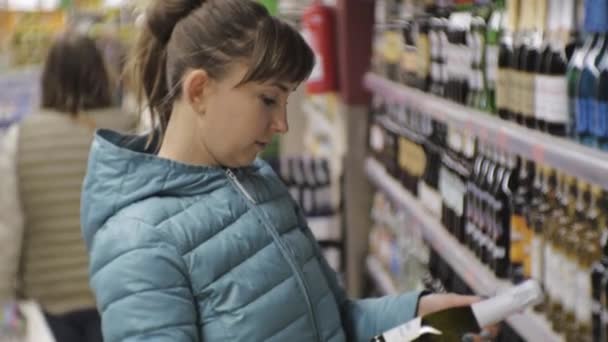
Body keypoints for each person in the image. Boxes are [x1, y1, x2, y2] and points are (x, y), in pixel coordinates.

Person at [80, 1, 480, 341]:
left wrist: (422, 315)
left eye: (286, 102)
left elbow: (334, 320)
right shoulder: (138, 241)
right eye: (268, 99)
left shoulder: (260, 184)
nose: (282, 125)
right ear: (199, 90)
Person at [16, 31, 136, 342]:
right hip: (118, 289)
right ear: (100, 73)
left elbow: (10, 223)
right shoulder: (130, 130)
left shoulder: (24, 136)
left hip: (49, 292)